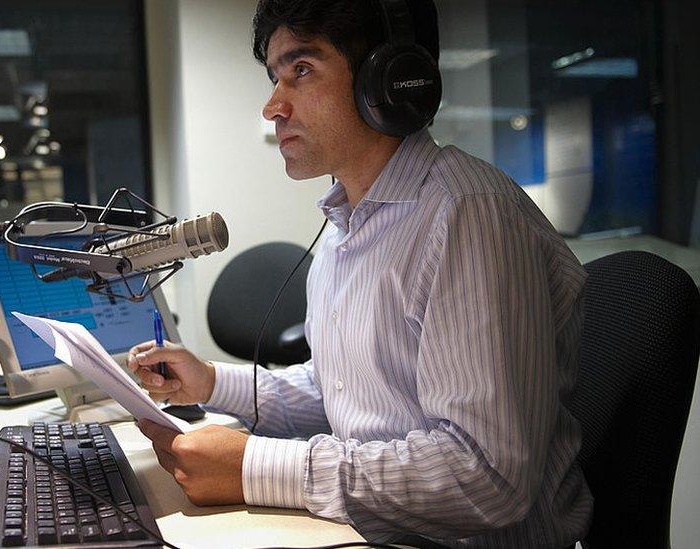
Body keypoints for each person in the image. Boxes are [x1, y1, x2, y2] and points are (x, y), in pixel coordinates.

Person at [127, 0, 592, 545]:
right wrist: (211, 381)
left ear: (388, 79)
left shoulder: (468, 213)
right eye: (275, 78)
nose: (273, 107)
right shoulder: (347, 227)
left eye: (301, 70)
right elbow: (341, 392)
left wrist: (258, 465)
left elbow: (485, 476)